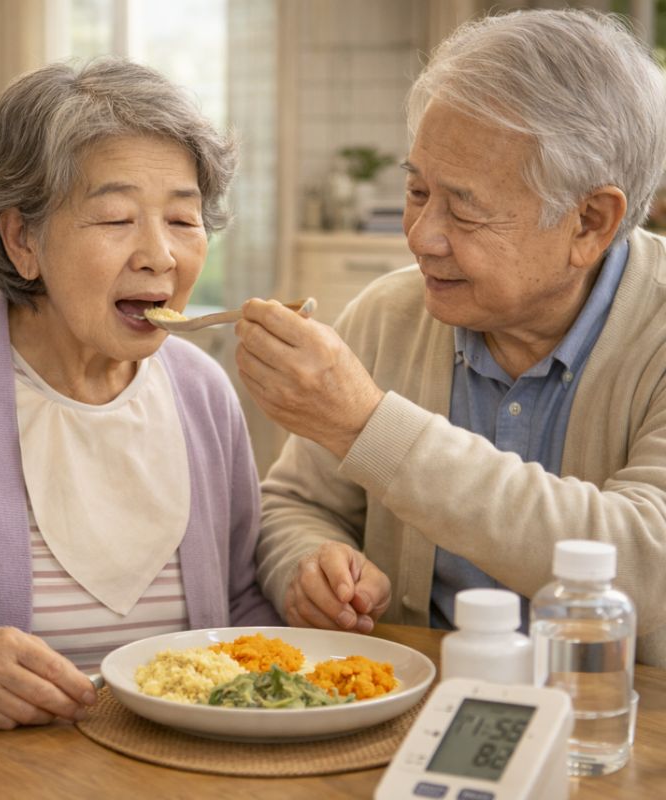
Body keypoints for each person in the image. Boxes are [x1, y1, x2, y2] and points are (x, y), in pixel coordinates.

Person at [236, 8, 666, 667]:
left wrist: (368, 427)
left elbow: (641, 563)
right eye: (416, 190)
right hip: (415, 706)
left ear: (589, 221)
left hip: (619, 718)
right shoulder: (390, 315)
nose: (420, 237)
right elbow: (293, 504)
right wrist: (312, 566)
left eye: (464, 210)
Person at [0, 58, 280, 729]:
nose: (160, 256)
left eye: (183, 219)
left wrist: (314, 580)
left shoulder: (204, 390)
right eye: (116, 219)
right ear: (22, 239)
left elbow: (240, 607)